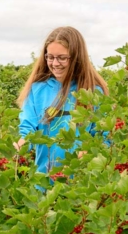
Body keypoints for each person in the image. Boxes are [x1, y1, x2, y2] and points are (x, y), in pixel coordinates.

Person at [14, 26, 108, 180]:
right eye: (50, 57)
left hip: (82, 182)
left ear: (77, 58)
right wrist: (23, 143)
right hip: (43, 180)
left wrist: (78, 162)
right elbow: (28, 127)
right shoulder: (38, 90)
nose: (55, 63)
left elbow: (103, 138)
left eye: (62, 58)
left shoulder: (94, 92)